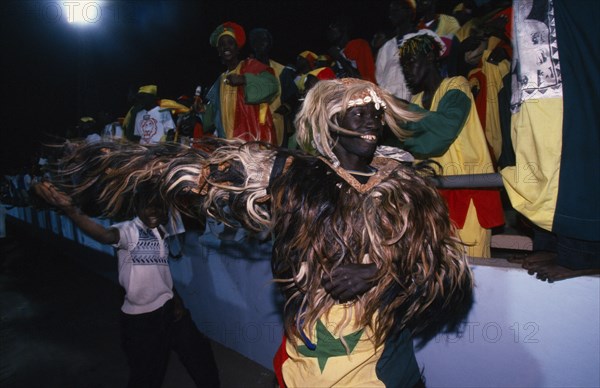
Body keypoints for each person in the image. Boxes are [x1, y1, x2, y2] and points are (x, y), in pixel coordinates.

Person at [43, 78, 473, 387]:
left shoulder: (405, 186)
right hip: (310, 357)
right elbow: (194, 168)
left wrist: (380, 273)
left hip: (385, 363)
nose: (370, 122)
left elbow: (448, 272)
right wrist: (99, 166)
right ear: (330, 121)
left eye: (376, 113)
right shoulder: (293, 175)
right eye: (356, 112)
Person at [31, 180, 220, 388]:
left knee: (200, 356)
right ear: (136, 207)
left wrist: (176, 300)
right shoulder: (128, 231)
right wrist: (71, 210)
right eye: (147, 205)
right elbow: (104, 235)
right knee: (146, 376)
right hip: (142, 321)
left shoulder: (160, 231)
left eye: (159, 206)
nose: (153, 211)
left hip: (170, 309)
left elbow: (159, 270)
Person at [503, 0, 600, 282]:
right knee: (535, 149)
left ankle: (583, 252)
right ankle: (551, 242)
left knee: (577, 139)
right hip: (535, 82)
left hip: (572, 43)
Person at [397, 30, 504, 258]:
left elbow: (440, 135)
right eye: (403, 65)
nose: (406, 71)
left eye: (411, 62)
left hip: (466, 194)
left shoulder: (457, 86)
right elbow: (415, 148)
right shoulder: (415, 101)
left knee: (473, 273)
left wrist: (396, 106)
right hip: (434, 199)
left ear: (431, 58)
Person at [202, 22, 279, 144]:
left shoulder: (251, 66)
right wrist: (199, 110)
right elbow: (209, 117)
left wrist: (244, 80)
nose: (226, 47)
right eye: (222, 45)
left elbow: (273, 86)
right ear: (218, 51)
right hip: (228, 145)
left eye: (230, 43)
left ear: (237, 48)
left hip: (253, 141)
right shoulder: (219, 81)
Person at [248, 28, 299, 147]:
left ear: (270, 44)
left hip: (276, 124)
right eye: (256, 40)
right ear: (252, 44)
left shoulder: (281, 71)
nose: (260, 44)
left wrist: (286, 107)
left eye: (264, 40)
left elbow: (292, 96)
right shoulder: (245, 70)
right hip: (251, 125)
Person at [375, 0, 418, 102]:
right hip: (391, 105)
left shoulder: (425, 36)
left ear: (409, 11)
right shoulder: (386, 48)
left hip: (416, 104)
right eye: (390, 11)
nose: (391, 14)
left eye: (396, 10)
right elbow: (380, 80)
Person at [326, 16, 377, 83]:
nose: (329, 32)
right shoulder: (334, 52)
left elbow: (364, 80)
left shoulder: (358, 45)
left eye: (332, 27)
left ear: (344, 28)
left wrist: (339, 58)